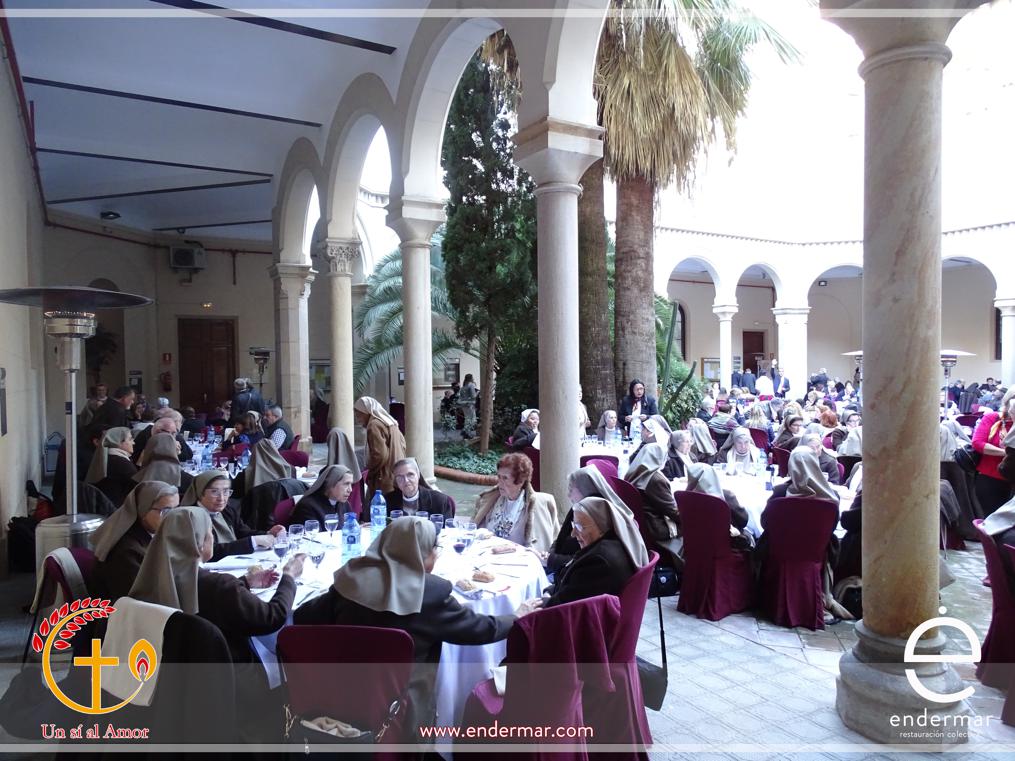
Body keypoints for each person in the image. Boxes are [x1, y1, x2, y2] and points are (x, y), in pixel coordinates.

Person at [293, 518, 520, 733]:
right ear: (423, 553)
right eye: (435, 549)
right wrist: (517, 617)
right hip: (402, 708)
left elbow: (303, 617)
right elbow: (479, 629)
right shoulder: (430, 594)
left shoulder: (351, 579)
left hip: (338, 693)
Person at [128, 506, 304, 742]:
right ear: (199, 544)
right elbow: (271, 618)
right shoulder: (219, 587)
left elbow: (203, 597)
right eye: (210, 533)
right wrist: (289, 578)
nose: (213, 538)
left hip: (168, 678)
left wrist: (244, 583)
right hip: (231, 675)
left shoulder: (153, 577)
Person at [537, 496, 649, 608]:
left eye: (580, 527)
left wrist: (543, 602)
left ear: (601, 527)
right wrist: (549, 592)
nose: (573, 534)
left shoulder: (598, 561)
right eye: (573, 525)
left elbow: (565, 606)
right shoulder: (610, 545)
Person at [91, 480, 179, 602]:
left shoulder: (153, 533)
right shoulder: (126, 551)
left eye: (176, 510)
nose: (173, 518)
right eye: (166, 511)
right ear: (144, 510)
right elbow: (142, 599)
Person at [181, 469, 283, 560]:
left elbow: (243, 532)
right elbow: (211, 552)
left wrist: (268, 533)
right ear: (200, 492)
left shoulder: (227, 510)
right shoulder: (190, 516)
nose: (221, 498)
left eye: (226, 491)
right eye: (214, 492)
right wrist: (253, 541)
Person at [545, 465, 631, 573]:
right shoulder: (578, 509)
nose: (568, 494)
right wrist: (549, 554)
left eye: (571, 489)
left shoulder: (596, 517)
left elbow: (584, 559)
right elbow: (561, 537)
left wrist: (550, 559)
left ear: (584, 488)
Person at [474, 453, 559, 551]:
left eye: (505, 478)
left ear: (520, 481)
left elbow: (541, 546)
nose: (499, 483)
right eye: (499, 477)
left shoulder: (536, 505)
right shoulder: (491, 499)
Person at [623, 442, 682, 564]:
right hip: (657, 527)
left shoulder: (634, 472)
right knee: (697, 525)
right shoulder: (655, 479)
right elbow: (674, 513)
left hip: (642, 525)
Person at [684, 463, 752, 549]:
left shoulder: (684, 497)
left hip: (695, 544)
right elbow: (743, 521)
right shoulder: (725, 496)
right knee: (749, 535)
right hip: (725, 544)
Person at [972, 388, 1015, 515]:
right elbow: (978, 443)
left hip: (1012, 479)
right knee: (991, 518)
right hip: (991, 478)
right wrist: (1007, 453)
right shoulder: (993, 418)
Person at [354, 396, 407, 495]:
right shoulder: (390, 422)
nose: (358, 419)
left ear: (367, 412)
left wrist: (369, 471)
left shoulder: (373, 425)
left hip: (383, 479)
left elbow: (379, 454)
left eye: (359, 415)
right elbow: (403, 444)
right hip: (397, 475)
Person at [384, 457, 455, 519]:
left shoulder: (440, 501)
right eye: (400, 477)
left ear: (418, 475)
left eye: (410, 475)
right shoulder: (387, 501)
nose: (406, 480)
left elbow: (448, 529)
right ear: (395, 481)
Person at [767, 445, 840, 504]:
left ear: (790, 466)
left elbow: (767, 517)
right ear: (816, 464)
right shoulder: (832, 496)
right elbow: (835, 517)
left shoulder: (779, 493)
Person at [289, 464, 355, 525]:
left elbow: (351, 527)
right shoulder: (308, 506)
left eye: (351, 484)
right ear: (331, 483)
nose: (350, 490)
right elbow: (311, 532)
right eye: (346, 484)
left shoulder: (344, 504)